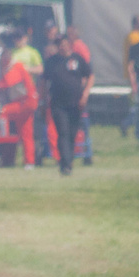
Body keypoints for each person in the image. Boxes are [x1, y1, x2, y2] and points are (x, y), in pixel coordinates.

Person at [46, 34, 93, 176]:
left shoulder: (77, 59)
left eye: (64, 43)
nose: (62, 46)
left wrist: (85, 94)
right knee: (63, 133)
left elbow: (90, 75)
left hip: (76, 103)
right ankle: (66, 164)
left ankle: (68, 161)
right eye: (59, 43)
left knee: (72, 133)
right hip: (58, 104)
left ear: (69, 44)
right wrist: (43, 100)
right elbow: (43, 81)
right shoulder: (52, 61)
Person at [0, 37, 39, 169]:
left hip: (26, 102)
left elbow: (9, 82)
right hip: (22, 102)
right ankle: (29, 162)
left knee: (2, 112)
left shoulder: (16, 67)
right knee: (26, 133)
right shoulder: (13, 67)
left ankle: (2, 144)